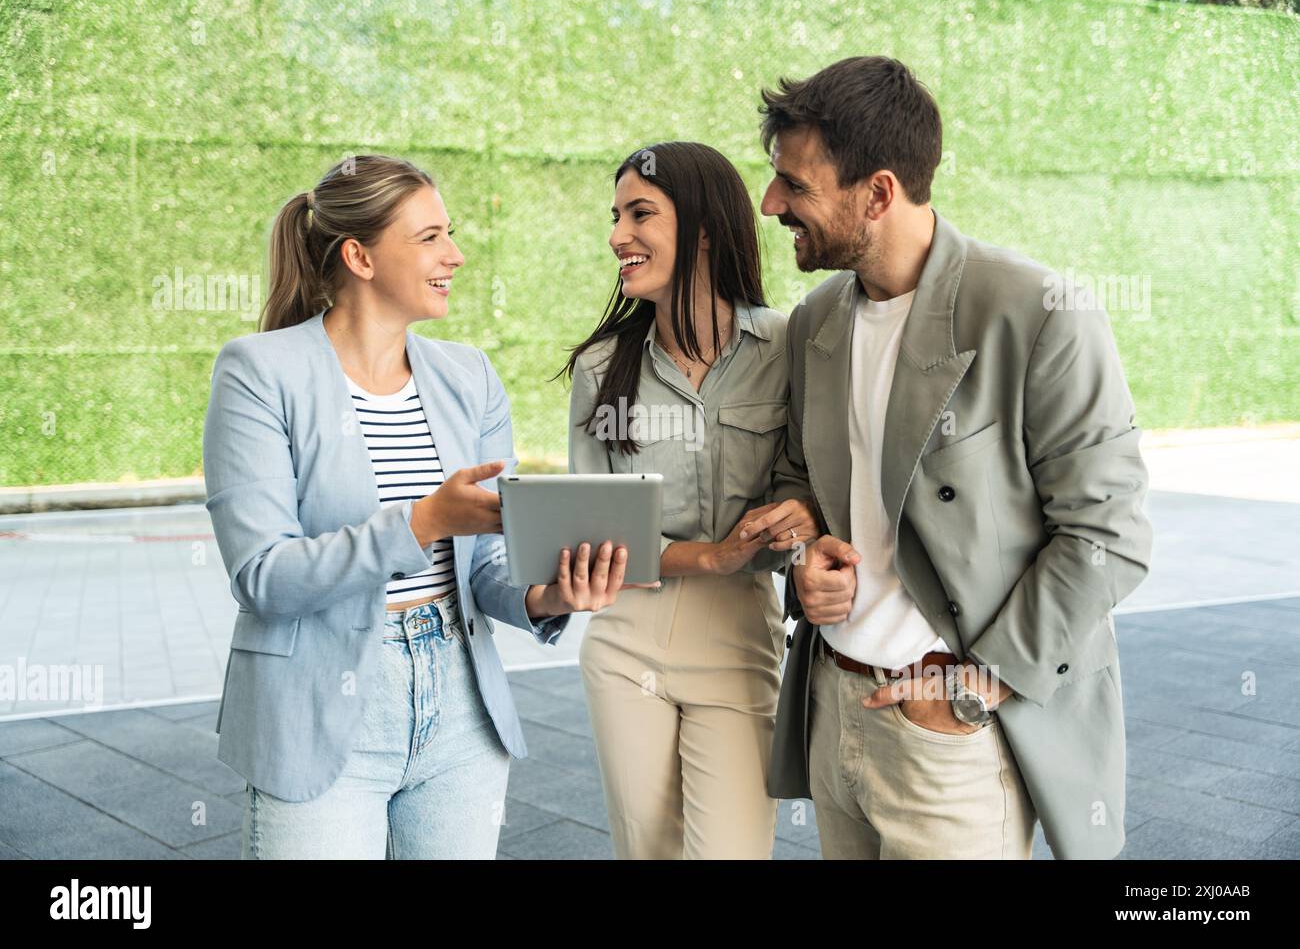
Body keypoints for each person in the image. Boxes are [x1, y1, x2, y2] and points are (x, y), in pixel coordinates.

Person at [760, 57, 1154, 859]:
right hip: (835, 704)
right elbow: (798, 480)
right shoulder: (814, 320)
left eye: (795, 187)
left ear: (877, 193)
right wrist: (804, 554)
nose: (771, 204)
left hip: (951, 735)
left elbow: (1108, 535)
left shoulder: (1037, 313)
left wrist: (973, 690)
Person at [203, 153, 628, 859]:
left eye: (449, 234)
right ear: (359, 257)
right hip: (317, 712)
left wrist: (550, 596)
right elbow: (263, 575)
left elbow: (488, 566)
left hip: (460, 707)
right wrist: (424, 521)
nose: (455, 256)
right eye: (429, 237)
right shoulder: (258, 371)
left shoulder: (470, 378)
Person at [563, 141, 818, 859]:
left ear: (704, 228)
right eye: (615, 216)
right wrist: (710, 555)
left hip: (740, 640)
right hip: (626, 640)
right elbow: (591, 533)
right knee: (649, 852)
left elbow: (815, 477)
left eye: (640, 213)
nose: (618, 235)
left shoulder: (789, 345)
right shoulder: (599, 368)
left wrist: (803, 515)